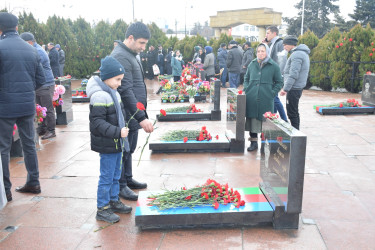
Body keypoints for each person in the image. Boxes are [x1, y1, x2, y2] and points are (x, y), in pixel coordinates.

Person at [0, 12, 45, 202]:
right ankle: (33, 182)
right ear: (17, 27)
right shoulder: (31, 49)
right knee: (29, 144)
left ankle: (5, 190)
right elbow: (41, 80)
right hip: (27, 106)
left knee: (3, 148)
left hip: (4, 107)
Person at [110, 22, 154, 201]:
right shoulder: (121, 56)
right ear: (130, 38)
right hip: (126, 112)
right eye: (141, 43)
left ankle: (127, 178)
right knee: (123, 149)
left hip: (133, 112)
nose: (143, 47)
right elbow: (125, 90)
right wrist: (141, 117)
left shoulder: (131, 53)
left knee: (130, 148)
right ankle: (121, 185)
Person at [87, 56, 132, 223]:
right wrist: (117, 132)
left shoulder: (113, 92)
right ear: (106, 77)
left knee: (115, 175)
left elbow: (119, 115)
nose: (119, 83)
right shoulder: (99, 96)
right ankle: (102, 208)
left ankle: (113, 200)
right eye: (117, 79)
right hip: (108, 144)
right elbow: (97, 123)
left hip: (116, 143)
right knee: (106, 177)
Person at [243, 43, 283, 152]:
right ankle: (253, 142)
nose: (260, 53)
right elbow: (246, 78)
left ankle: (265, 144)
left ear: (267, 52)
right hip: (251, 97)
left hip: (266, 98)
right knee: (252, 121)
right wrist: (247, 89)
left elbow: (279, 82)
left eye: (263, 51)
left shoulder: (273, 65)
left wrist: (272, 93)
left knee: (266, 122)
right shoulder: (252, 64)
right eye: (259, 51)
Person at [20, 32, 56, 140]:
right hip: (40, 84)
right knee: (41, 108)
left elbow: (31, 66)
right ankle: (43, 127)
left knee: (48, 108)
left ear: (29, 42)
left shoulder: (38, 51)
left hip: (45, 84)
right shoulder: (35, 49)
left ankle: (51, 130)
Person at [280, 35, 310, 130]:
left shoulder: (297, 54)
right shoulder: (301, 53)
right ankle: (295, 132)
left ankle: (295, 134)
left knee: (292, 112)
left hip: (294, 88)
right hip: (296, 87)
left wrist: (285, 88)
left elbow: (293, 74)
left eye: (285, 45)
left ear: (290, 44)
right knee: (293, 111)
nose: (284, 47)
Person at [265, 25, 288, 122]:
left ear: (274, 33)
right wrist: (265, 44)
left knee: (274, 98)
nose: (266, 35)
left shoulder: (279, 43)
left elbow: (282, 60)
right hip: (272, 75)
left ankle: (284, 119)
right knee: (272, 98)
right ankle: (274, 117)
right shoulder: (272, 43)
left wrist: (278, 75)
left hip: (275, 75)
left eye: (268, 33)